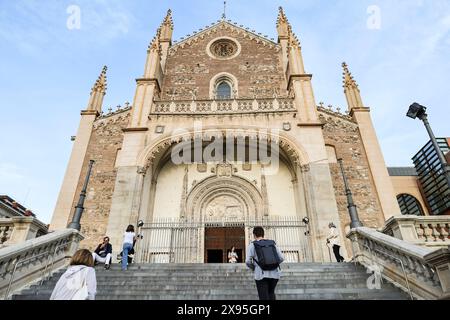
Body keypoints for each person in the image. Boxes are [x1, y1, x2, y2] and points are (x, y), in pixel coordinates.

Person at [245, 226, 284, 300]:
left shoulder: (253, 245)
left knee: (263, 296)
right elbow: (282, 258)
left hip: (261, 274)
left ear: (254, 235)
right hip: (275, 273)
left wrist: (254, 267)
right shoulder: (272, 243)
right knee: (271, 293)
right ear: (263, 234)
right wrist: (273, 264)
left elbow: (247, 261)